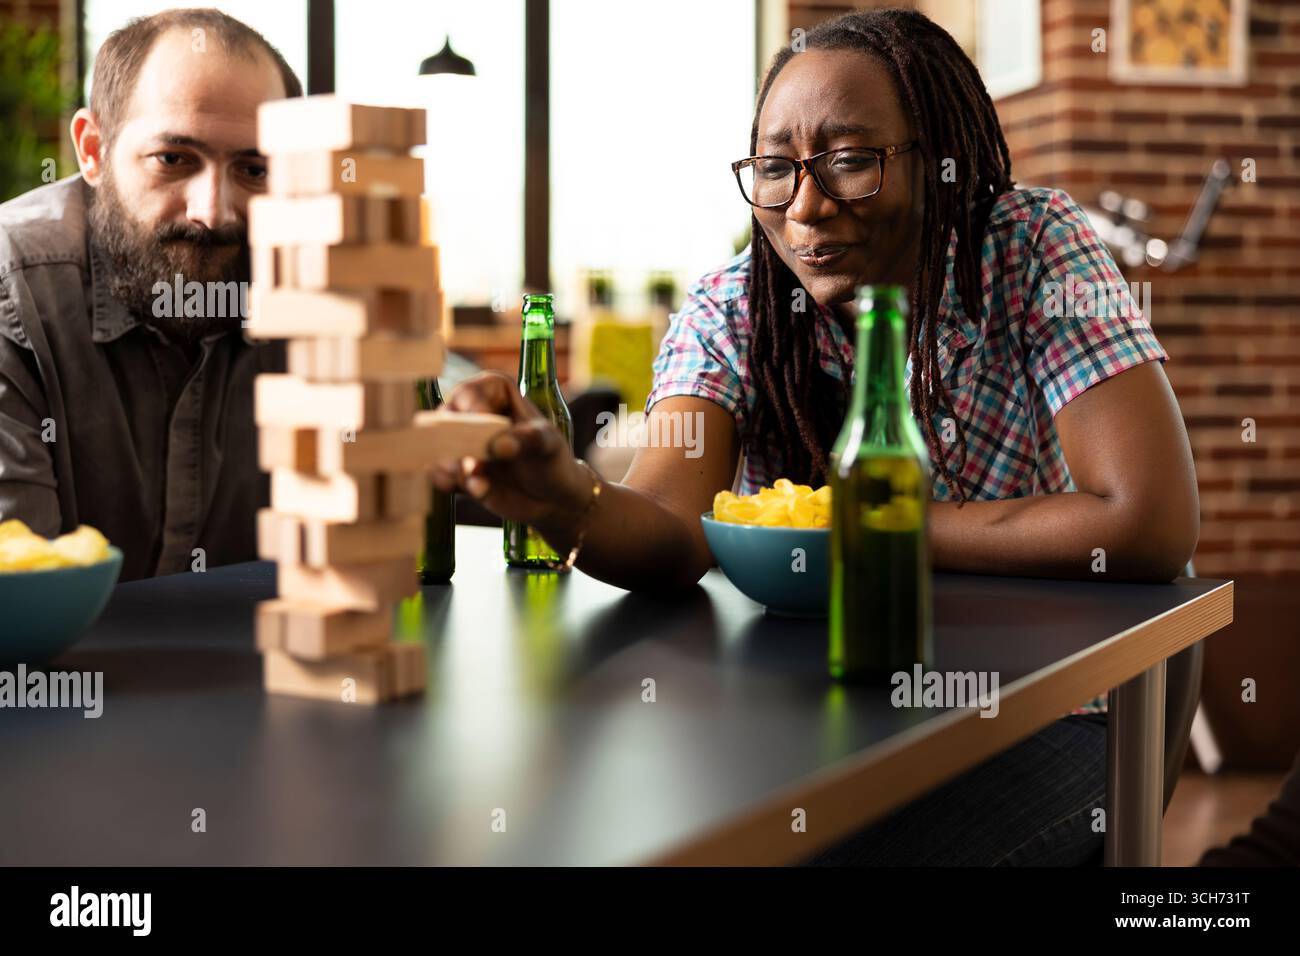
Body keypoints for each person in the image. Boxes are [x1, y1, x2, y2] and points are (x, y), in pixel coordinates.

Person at [434, 9, 1200, 864]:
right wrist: (567, 498)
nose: (805, 204)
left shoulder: (1032, 250)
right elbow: (671, 524)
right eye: (775, 168)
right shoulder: (734, 305)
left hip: (1046, 701)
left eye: (849, 161)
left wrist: (867, 526)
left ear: (936, 160)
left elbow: (1146, 519)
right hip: (820, 705)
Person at [0, 9, 298, 581]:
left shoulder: (308, 292)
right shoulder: (16, 293)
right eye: (174, 159)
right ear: (93, 150)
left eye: (253, 169)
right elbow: (19, 603)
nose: (214, 213)